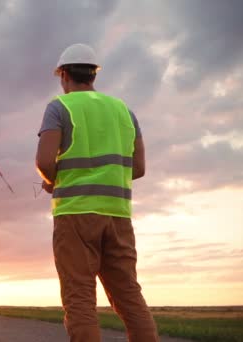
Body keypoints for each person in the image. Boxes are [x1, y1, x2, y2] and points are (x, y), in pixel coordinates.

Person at [35, 43, 159, 342]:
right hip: (117, 216)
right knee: (129, 296)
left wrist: (53, 181)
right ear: (93, 75)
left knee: (79, 299)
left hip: (75, 215)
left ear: (64, 75)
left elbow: (43, 161)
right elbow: (138, 168)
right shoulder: (124, 111)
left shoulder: (59, 107)